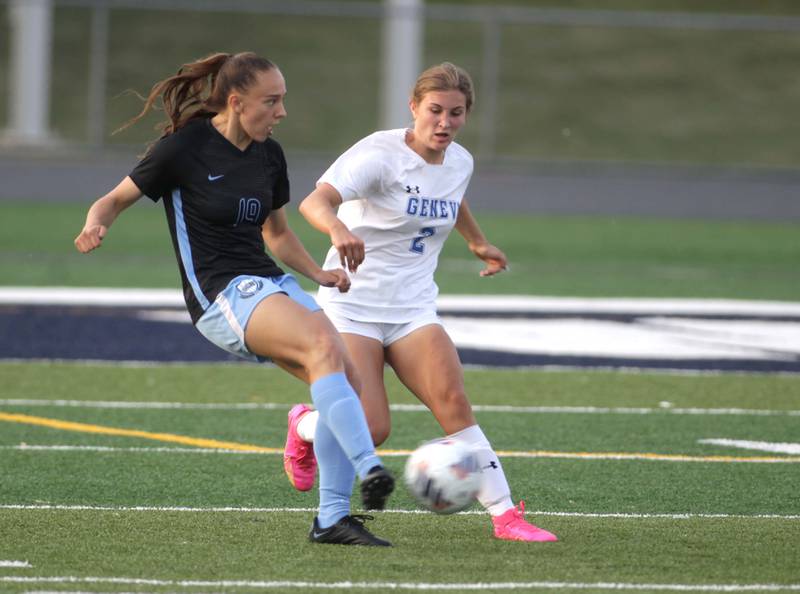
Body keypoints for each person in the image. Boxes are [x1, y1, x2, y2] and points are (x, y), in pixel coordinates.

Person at [73, 52, 395, 547]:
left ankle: (331, 519)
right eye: (272, 101)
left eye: (283, 100)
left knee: (346, 379)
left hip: (269, 283)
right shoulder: (184, 148)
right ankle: (369, 468)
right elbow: (113, 199)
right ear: (236, 101)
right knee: (322, 346)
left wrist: (318, 274)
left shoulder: (270, 154)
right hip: (219, 293)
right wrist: (96, 223)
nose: (282, 111)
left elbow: (278, 234)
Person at [282, 62, 557, 542]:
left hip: (412, 308)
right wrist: (338, 227)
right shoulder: (379, 154)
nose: (445, 122)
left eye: (456, 113)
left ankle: (506, 516)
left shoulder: (460, 161)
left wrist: (476, 240)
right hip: (353, 305)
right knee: (372, 427)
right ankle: (305, 426)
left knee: (453, 401)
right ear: (414, 107)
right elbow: (312, 203)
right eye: (435, 111)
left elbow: (452, 198)